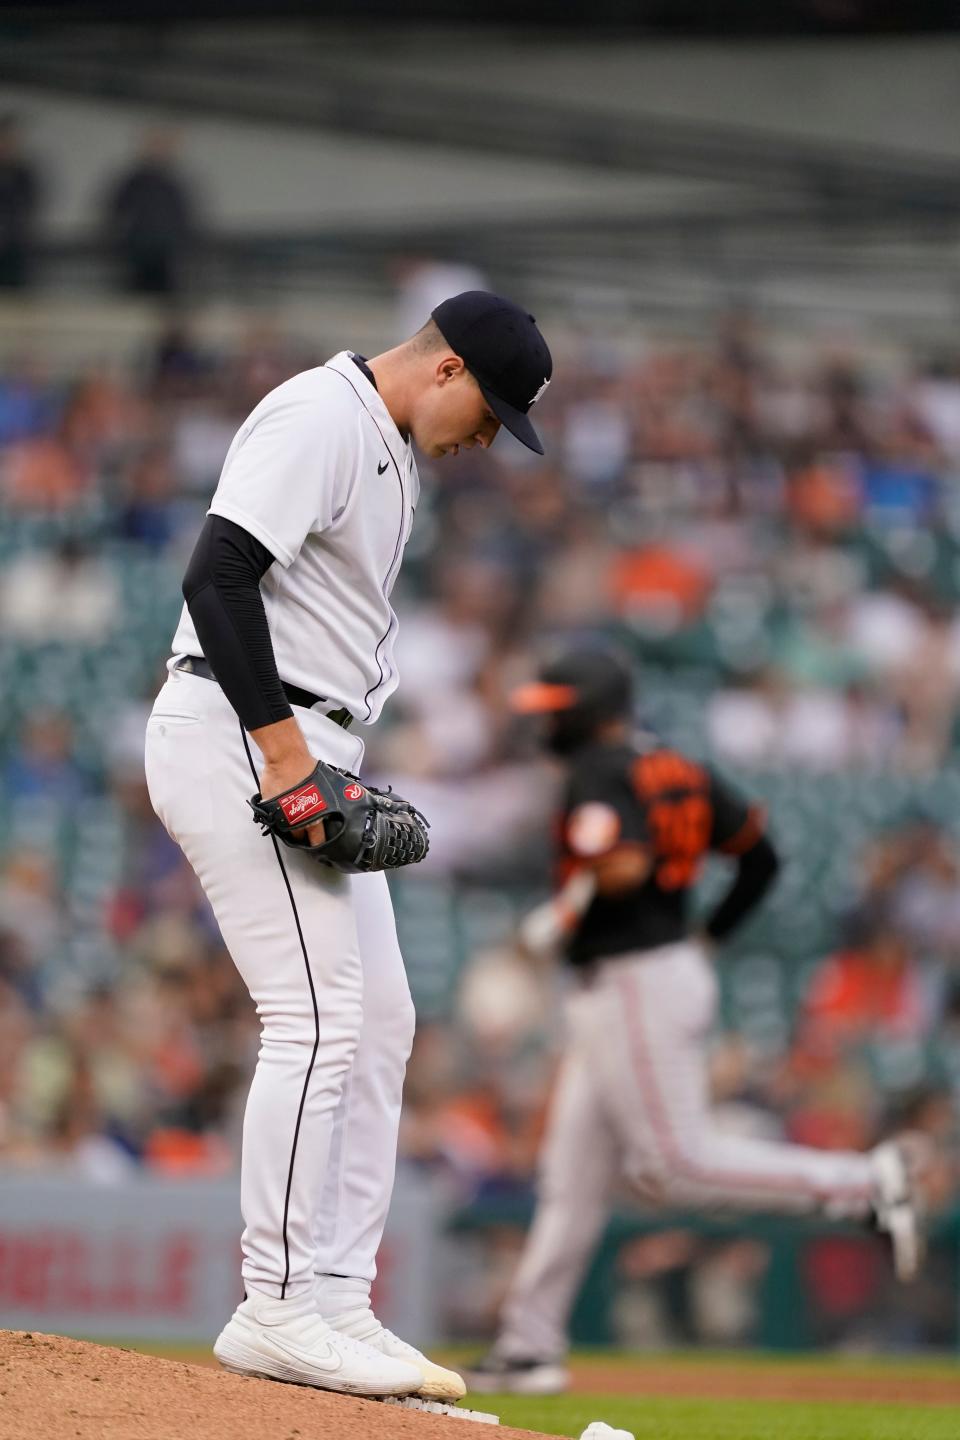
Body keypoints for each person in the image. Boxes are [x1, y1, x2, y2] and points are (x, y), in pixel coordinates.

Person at [142, 292, 552, 1401]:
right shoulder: (321, 415)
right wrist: (286, 760)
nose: (486, 438)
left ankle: (332, 1296)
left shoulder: (388, 451)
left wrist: (317, 757)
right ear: (447, 368)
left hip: (308, 735)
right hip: (244, 732)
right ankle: (273, 1304)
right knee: (314, 1018)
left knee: (380, 1018)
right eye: (490, 411)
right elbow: (215, 577)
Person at [466, 649, 929, 1395]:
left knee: (674, 1164)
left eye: (557, 705)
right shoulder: (677, 766)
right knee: (572, 1179)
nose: (546, 719)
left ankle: (864, 1185)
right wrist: (708, 935)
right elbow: (762, 855)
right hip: (648, 973)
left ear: (590, 709)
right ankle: (528, 1345)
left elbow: (623, 866)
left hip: (634, 983)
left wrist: (562, 911)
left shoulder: (599, 768)